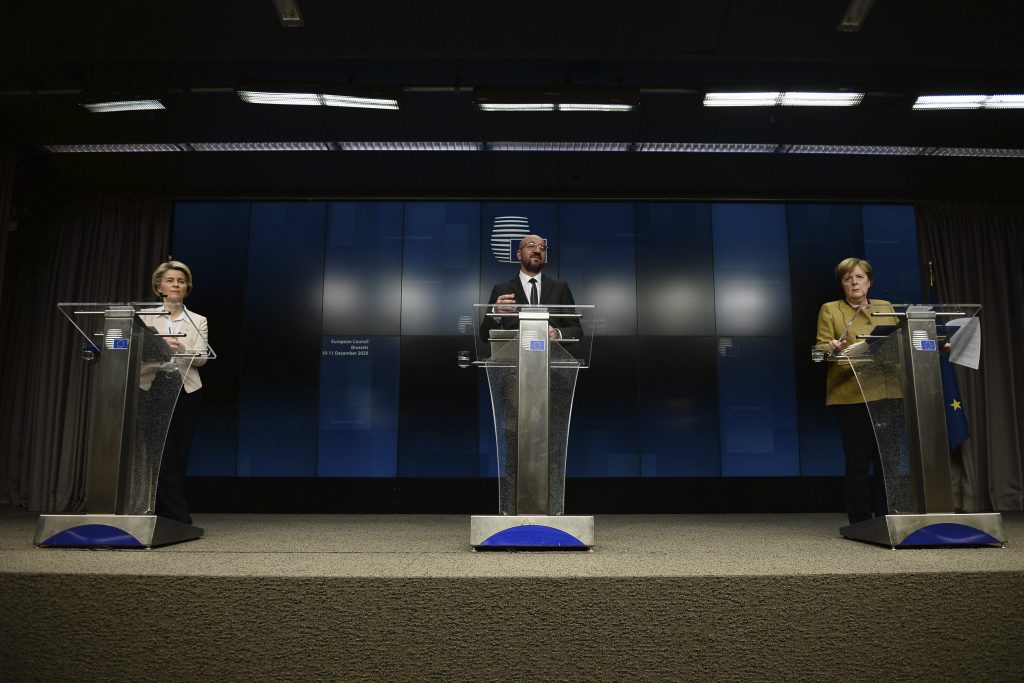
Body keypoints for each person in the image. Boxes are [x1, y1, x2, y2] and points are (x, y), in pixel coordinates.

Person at [815, 257, 899, 525]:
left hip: (888, 392)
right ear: (842, 284)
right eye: (847, 278)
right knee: (859, 462)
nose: (854, 283)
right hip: (851, 395)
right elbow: (818, 352)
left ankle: (887, 518)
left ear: (869, 281)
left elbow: (899, 342)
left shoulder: (885, 307)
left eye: (860, 277)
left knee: (889, 462)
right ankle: (860, 522)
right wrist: (830, 348)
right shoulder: (830, 309)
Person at [141, 260, 209, 525]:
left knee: (179, 454)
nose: (176, 285)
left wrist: (183, 350)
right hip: (153, 387)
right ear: (159, 287)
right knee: (162, 453)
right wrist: (159, 347)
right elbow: (136, 352)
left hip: (186, 390)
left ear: (187, 288)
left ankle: (163, 512)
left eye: (181, 281)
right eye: (170, 280)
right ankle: (179, 517)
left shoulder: (198, 320)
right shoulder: (144, 317)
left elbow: (202, 358)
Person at [479, 234, 582, 342]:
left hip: (552, 351)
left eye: (542, 248)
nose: (537, 250)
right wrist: (495, 313)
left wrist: (557, 334)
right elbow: (485, 336)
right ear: (519, 255)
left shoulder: (560, 287)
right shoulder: (502, 289)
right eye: (531, 245)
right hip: (514, 352)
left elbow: (577, 330)